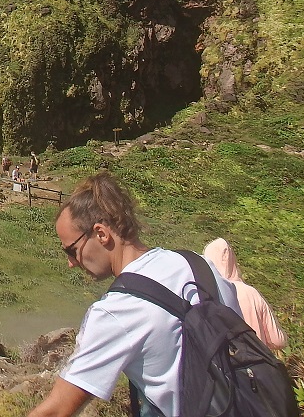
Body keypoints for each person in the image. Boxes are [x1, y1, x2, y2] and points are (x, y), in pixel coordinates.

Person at [26, 172, 241, 417]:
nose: (71, 263)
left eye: (71, 251)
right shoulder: (202, 267)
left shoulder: (117, 310)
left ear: (101, 234)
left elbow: (56, 410)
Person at [203, 238, 287, 350]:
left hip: (226, 360)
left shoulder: (207, 295)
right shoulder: (251, 293)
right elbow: (277, 341)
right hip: (256, 358)